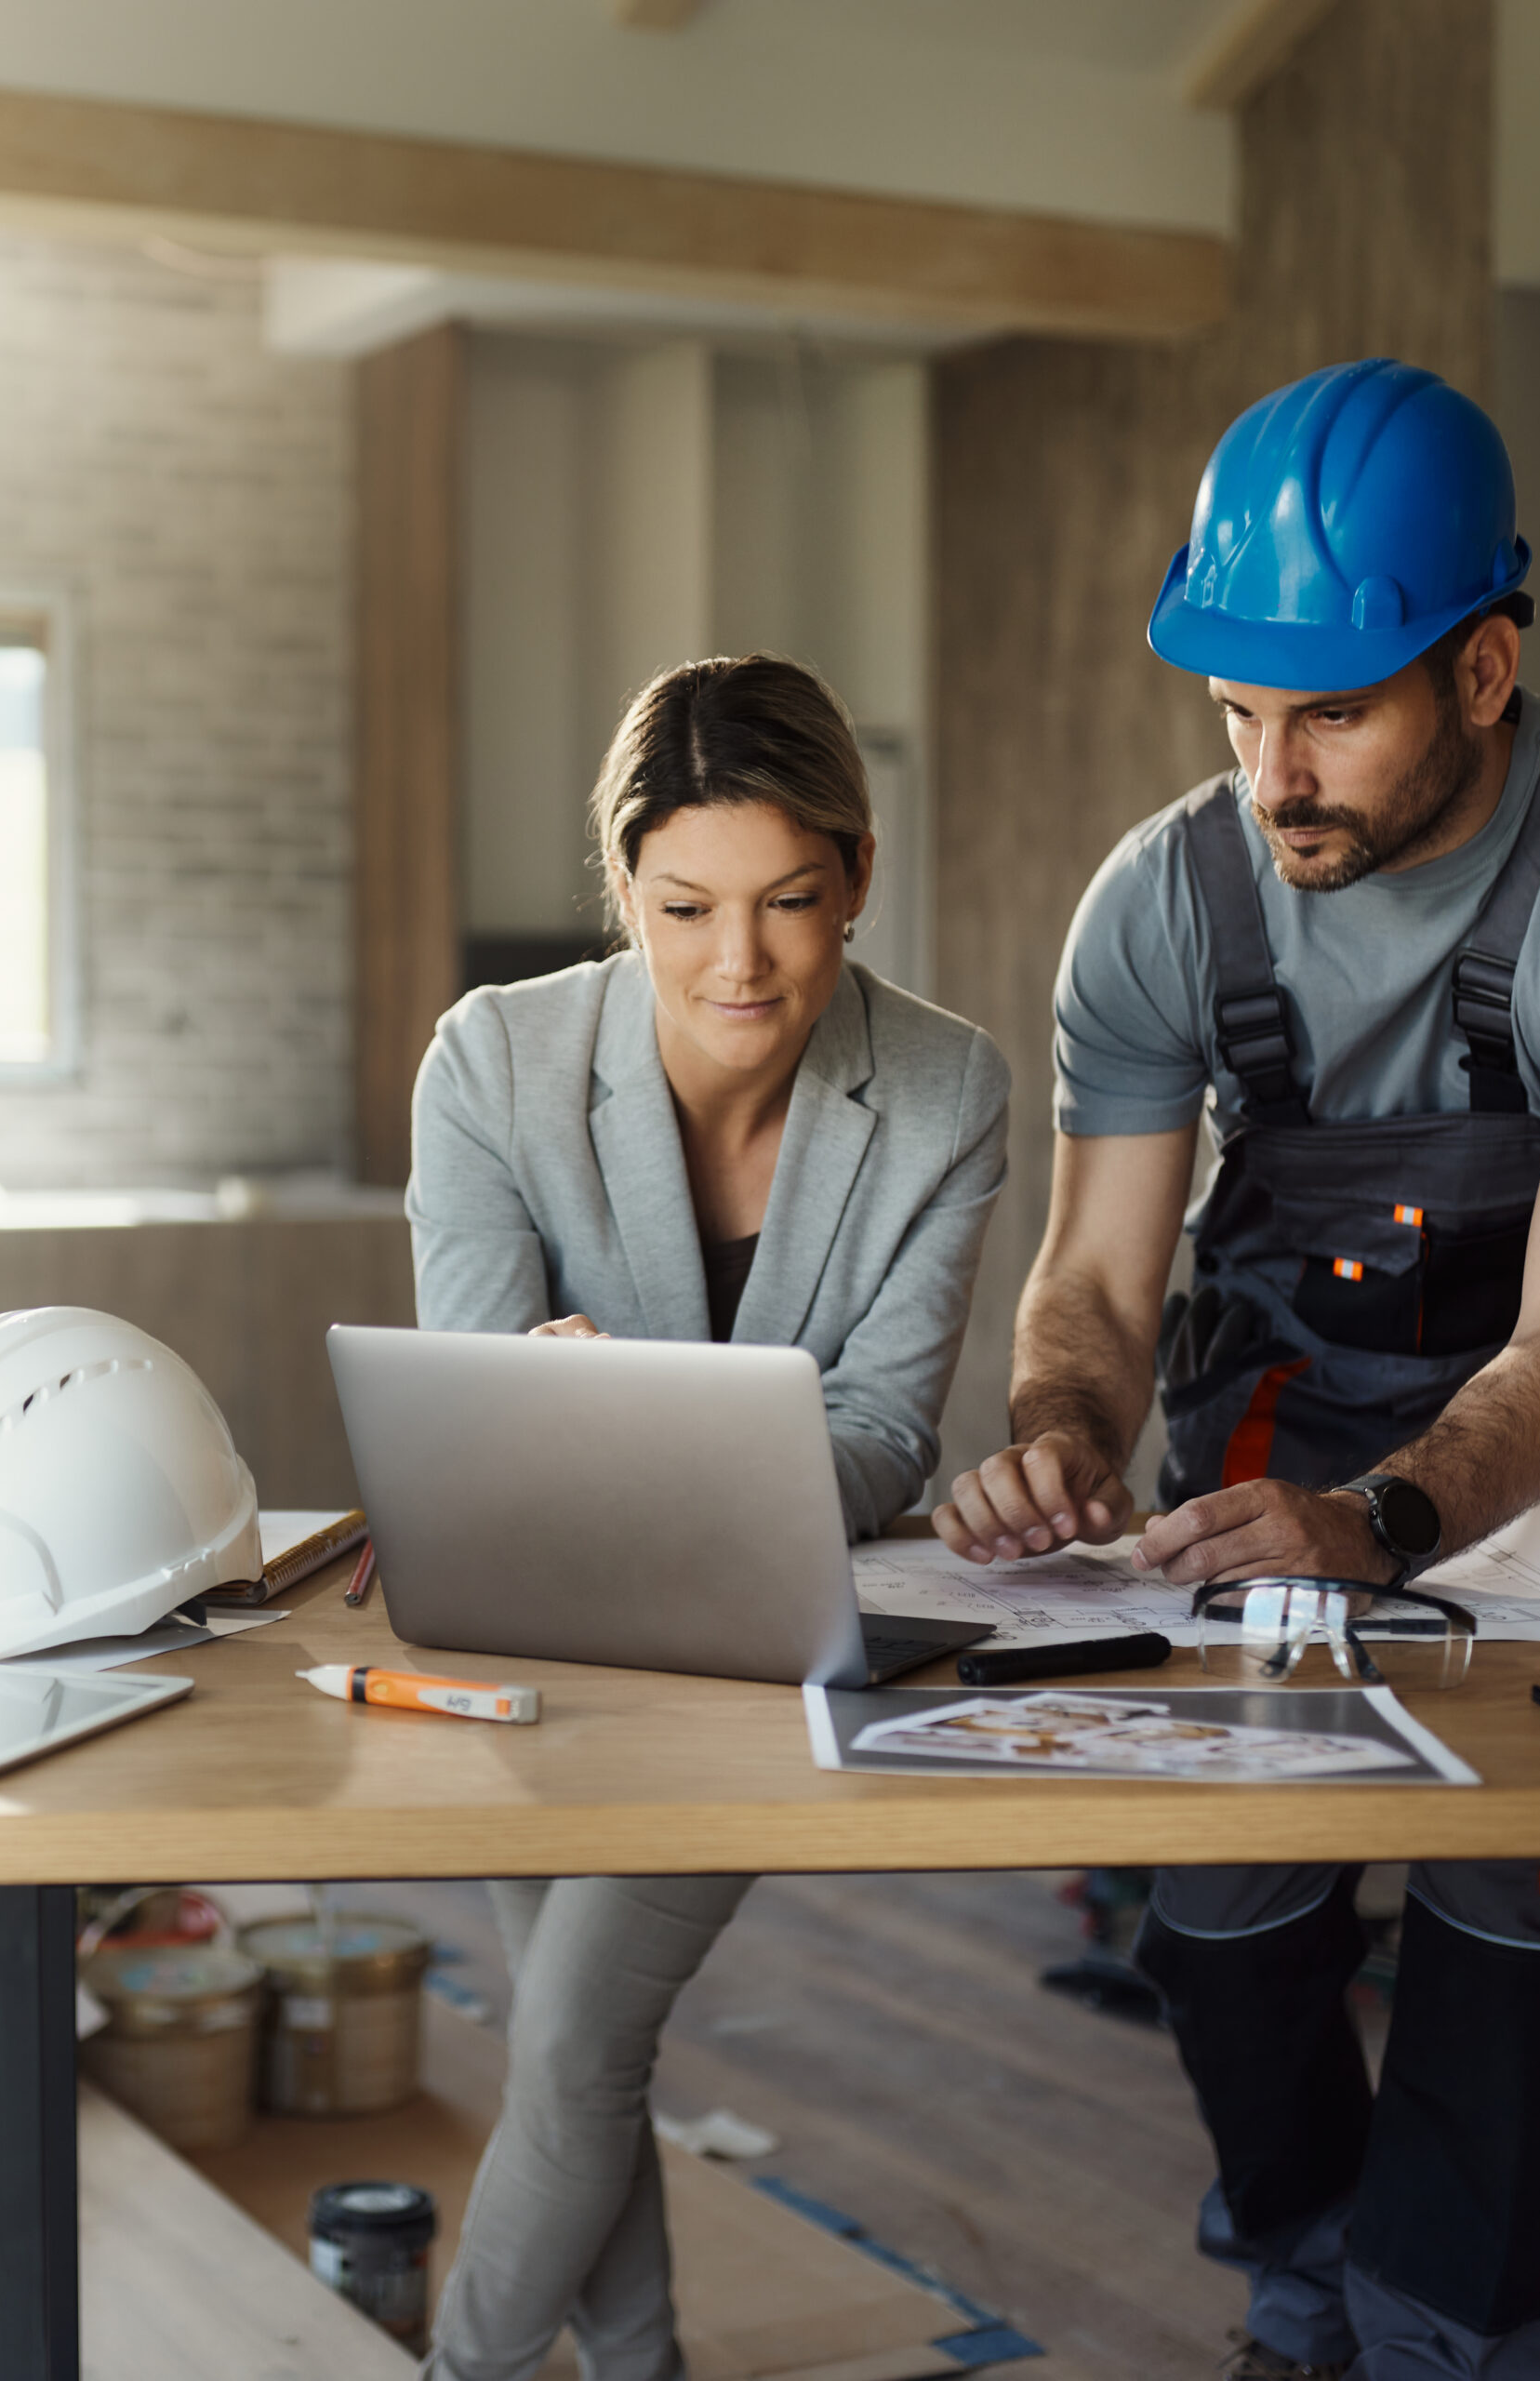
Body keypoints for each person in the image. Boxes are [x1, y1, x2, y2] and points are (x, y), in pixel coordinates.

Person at [935, 359, 1540, 2380]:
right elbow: (1097, 1293)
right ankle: (1310, 2300)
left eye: (1327, 713)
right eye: (1234, 713)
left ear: (1482, 670)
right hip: (1262, 1459)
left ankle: (1457, 2348)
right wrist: (1054, 1437)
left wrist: (1384, 1523)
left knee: (1501, 1950)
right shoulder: (1161, 898)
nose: (1269, 774)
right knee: (1220, 1935)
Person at [410, 652, 1009, 2381]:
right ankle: (645, 2362)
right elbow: (475, 1400)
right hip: (540, 1631)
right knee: (567, 2049)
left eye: (789, 902)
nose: (737, 961)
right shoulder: (497, 1063)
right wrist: (547, 1407)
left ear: (861, 876)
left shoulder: (949, 1092)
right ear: (624, 889)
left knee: (581, 2043)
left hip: (759, 1634)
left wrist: (623, 1434)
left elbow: (886, 1428)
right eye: (682, 906)